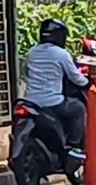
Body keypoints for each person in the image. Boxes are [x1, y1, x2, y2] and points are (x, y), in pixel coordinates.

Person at [22, 17, 91, 164]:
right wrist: (88, 82)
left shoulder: (31, 52)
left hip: (30, 102)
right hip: (52, 103)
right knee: (78, 108)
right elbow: (76, 78)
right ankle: (74, 147)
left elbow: (26, 72)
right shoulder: (61, 54)